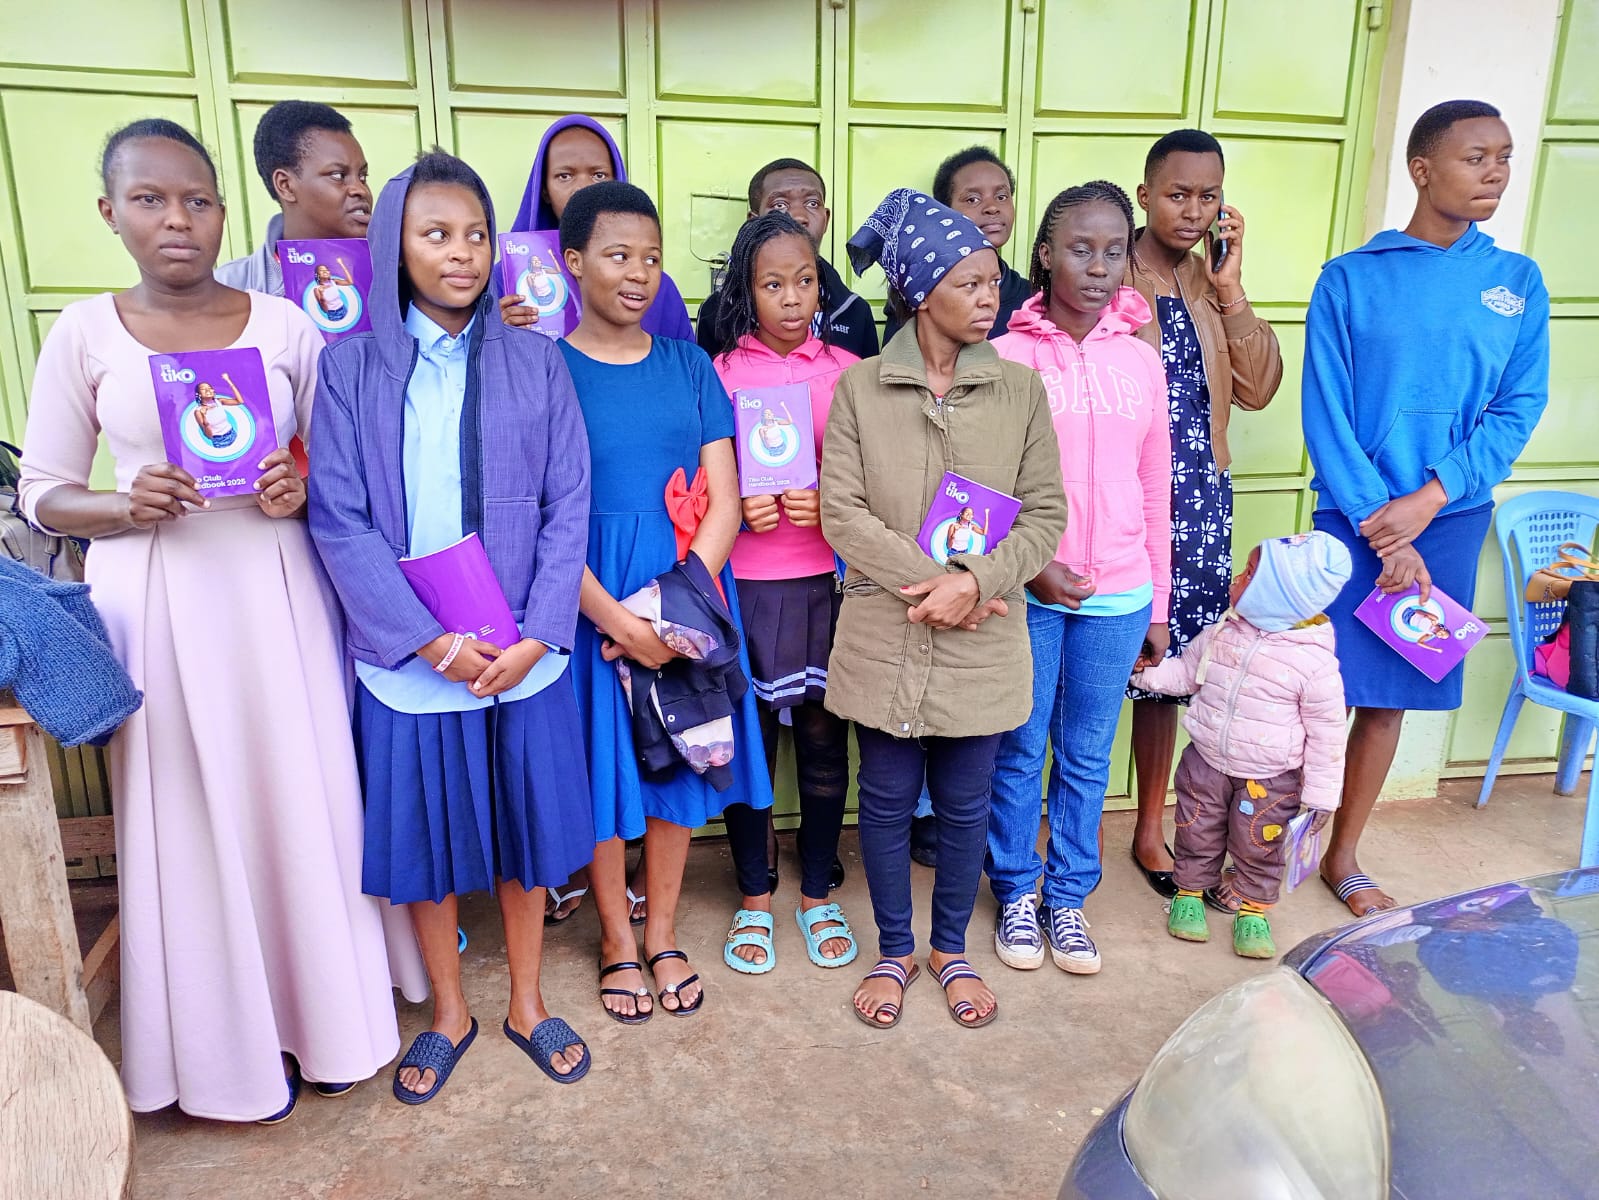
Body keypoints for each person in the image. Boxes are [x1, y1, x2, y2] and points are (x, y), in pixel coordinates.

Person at [18, 118, 425, 1124]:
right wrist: (122, 504)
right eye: (149, 200)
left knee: (302, 799)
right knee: (191, 817)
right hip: (158, 600)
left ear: (223, 211)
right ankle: (225, 1056)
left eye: (196, 200)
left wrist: (300, 486)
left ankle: (330, 1026)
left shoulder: (284, 325)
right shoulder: (85, 332)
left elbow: (346, 465)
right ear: (110, 212)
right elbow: (44, 493)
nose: (176, 219)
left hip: (277, 588)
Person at [309, 150, 599, 1100]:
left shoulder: (536, 359)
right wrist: (428, 640)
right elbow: (339, 519)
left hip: (520, 650)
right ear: (394, 246)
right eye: (435, 234)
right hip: (410, 658)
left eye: (476, 234)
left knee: (523, 834)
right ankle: (448, 1012)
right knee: (428, 849)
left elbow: (569, 503)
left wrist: (539, 631)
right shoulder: (350, 369)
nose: (462, 252)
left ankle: (525, 1001)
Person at [824, 188, 1066, 1030]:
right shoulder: (859, 388)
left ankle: (949, 949)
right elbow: (841, 513)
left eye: (992, 281)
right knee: (885, 800)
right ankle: (895, 949)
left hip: (982, 634)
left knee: (966, 806)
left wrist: (976, 581)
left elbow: (1045, 515)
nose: (989, 296)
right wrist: (937, 584)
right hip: (886, 630)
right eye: (968, 283)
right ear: (920, 292)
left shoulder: (1020, 392)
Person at [1302, 99, 1548, 918]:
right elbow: (1325, 411)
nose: (1494, 173)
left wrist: (1430, 499)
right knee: (1318, 690)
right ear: (1421, 169)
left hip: (1448, 519)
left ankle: (1343, 857)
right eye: (1475, 157)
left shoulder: (1516, 283)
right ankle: (1268, 847)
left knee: (1388, 695)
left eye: (1502, 157)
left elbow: (1517, 406)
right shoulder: (1349, 279)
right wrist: (1382, 520)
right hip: (1353, 517)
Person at [557, 180, 775, 1021]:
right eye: (617, 255)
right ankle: (615, 936)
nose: (638, 273)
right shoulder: (546, 369)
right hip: (584, 593)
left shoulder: (689, 367)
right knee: (606, 769)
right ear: (573, 263)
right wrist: (616, 620)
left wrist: (670, 612)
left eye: (650, 257)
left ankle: (663, 933)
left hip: (685, 589)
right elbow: (538, 518)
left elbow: (724, 500)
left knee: (683, 756)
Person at [986, 181, 1172, 977]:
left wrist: (1158, 601)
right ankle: (1015, 891)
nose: (1097, 267)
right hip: (1028, 589)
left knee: (1088, 754)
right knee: (1019, 749)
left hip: (1120, 592)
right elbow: (978, 486)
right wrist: (1030, 566)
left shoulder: (1140, 361)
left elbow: (1155, 484)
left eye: (1112, 251)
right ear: (1043, 255)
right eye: (1078, 249)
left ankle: (1067, 898)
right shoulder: (1004, 357)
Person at [1124, 128, 1283, 902]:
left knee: (1167, 670)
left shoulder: (1208, 279)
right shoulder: (1109, 268)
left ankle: (1148, 825)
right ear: (1145, 195)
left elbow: (1257, 388)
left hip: (1198, 501)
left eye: (1207, 196)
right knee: (1098, 660)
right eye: (1176, 194)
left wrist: (1231, 286)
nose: (1191, 210)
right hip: (1125, 498)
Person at [710, 212, 861, 975]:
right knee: (751, 745)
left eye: (804, 280)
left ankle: (816, 892)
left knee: (825, 742)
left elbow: (871, 482)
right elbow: (695, 481)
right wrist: (737, 505)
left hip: (824, 584)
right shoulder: (719, 374)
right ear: (747, 289)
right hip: (745, 586)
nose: (792, 297)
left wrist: (827, 500)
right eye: (773, 284)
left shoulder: (846, 371)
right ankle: (754, 896)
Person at [1130, 532, 1351, 958]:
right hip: (1205, 762)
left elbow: (1328, 733)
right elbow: (1185, 674)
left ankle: (1253, 911)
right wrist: (1139, 672)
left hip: (1270, 781)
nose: (1236, 577)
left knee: (1259, 846)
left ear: (1278, 596)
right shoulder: (1222, 633)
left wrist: (1322, 797)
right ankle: (1188, 895)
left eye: (1249, 574)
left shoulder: (1315, 663)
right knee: (1195, 831)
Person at [509, 115, 694, 341]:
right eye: (564, 176)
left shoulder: (659, 289)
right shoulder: (509, 280)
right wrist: (496, 334)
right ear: (544, 189)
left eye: (599, 175)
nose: (582, 188)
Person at [696, 158, 880, 361]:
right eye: (780, 204)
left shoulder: (855, 311)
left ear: (826, 219)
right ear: (754, 220)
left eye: (812, 203)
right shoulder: (717, 311)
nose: (799, 216)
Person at [215, 100, 371, 295]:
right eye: (338, 175)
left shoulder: (393, 276)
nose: (361, 190)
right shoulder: (228, 287)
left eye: (363, 177)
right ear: (286, 185)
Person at [882, 146, 1030, 345]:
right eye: (973, 199)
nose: (992, 207)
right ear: (944, 212)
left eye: (1002, 197)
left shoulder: (1031, 297)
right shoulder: (919, 289)